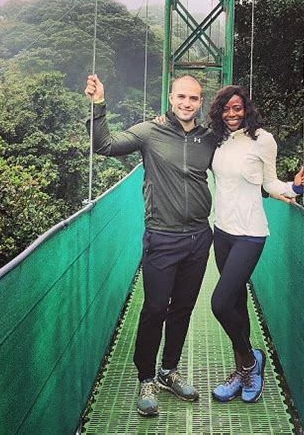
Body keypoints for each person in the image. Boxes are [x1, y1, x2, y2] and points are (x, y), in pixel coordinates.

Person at [84, 74, 218, 416]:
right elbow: (105, 146)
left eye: (194, 98)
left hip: (200, 238)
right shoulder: (150, 131)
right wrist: (99, 105)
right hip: (162, 236)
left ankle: (168, 372)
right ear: (170, 98)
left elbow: (238, 169)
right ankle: (146, 377)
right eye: (181, 97)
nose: (186, 103)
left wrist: (284, 188)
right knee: (155, 309)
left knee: (182, 310)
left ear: (201, 102)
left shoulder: (209, 138)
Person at [207, 85, 304, 403]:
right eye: (226, 108)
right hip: (222, 231)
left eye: (237, 108)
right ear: (219, 112)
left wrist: (294, 187)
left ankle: (250, 364)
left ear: (246, 109)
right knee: (236, 304)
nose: (232, 114)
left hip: (250, 233)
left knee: (220, 303)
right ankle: (242, 370)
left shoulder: (263, 139)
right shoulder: (219, 139)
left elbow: (269, 182)